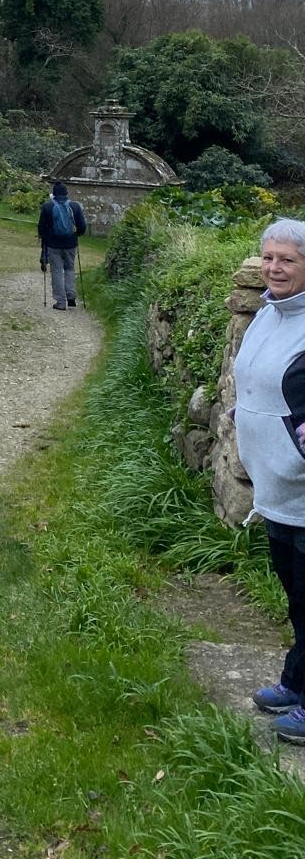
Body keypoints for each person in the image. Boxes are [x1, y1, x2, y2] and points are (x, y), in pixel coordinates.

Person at [235, 218, 305, 742]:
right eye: (269, 257)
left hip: (304, 492)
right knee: (298, 598)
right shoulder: (267, 312)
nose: (274, 268)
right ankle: (297, 683)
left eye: (288, 260)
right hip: (277, 490)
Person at [38, 180, 87, 309]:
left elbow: (41, 228)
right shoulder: (75, 206)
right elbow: (82, 226)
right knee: (70, 269)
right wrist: (77, 234)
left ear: (54, 194)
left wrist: (45, 239)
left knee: (57, 271)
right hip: (70, 243)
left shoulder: (47, 207)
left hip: (54, 244)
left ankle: (60, 302)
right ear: (66, 193)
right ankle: (71, 295)